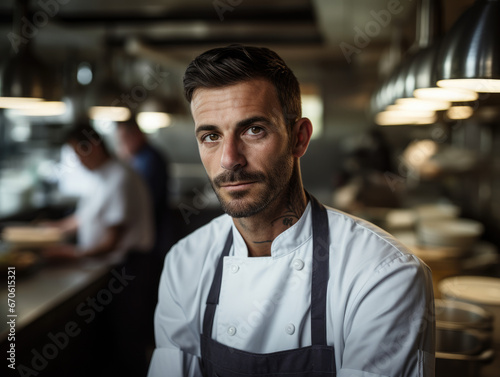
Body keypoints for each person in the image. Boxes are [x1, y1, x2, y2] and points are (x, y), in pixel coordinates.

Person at [148, 45, 435, 377]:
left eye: (253, 130)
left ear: (299, 138)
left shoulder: (382, 274)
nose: (229, 159)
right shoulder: (185, 263)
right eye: (211, 136)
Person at [43, 122, 153, 262]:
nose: (80, 161)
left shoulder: (120, 178)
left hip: (125, 267)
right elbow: (85, 218)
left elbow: (112, 241)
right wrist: (54, 228)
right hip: (101, 263)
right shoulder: (98, 177)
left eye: (79, 154)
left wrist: (73, 254)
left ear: (93, 146)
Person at [116, 119, 171, 256]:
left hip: (154, 227)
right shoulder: (138, 157)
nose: (122, 144)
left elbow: (144, 198)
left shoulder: (149, 159)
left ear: (137, 135)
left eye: (124, 139)